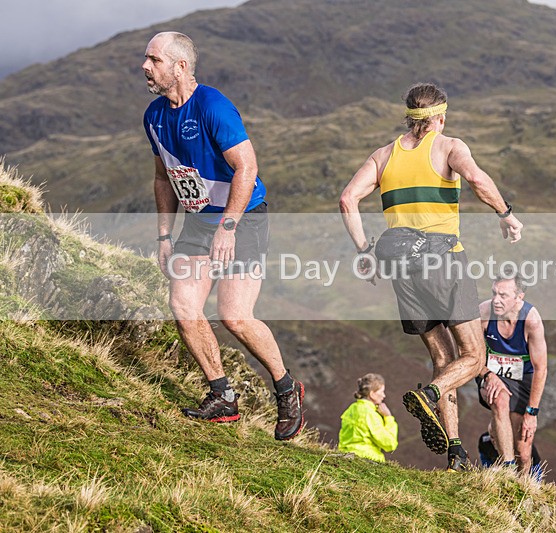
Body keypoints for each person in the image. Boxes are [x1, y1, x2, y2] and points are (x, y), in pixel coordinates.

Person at [339, 83, 524, 471]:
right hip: (444, 263)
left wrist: (364, 252)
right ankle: (430, 394)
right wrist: (506, 213)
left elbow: (347, 199)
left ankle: (455, 450)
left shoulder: (383, 155)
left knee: (442, 356)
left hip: (401, 270)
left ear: (409, 116)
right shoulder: (449, 146)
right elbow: (476, 179)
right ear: (440, 116)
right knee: (474, 357)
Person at [142, 31, 303, 440]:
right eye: (146, 59)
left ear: (179, 66)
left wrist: (229, 226)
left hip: (243, 216)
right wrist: (164, 236)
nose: (145, 67)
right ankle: (223, 395)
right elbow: (164, 177)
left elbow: (246, 168)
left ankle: (286, 388)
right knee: (183, 306)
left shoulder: (213, 106)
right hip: (198, 221)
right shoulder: (154, 116)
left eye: (154, 60)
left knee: (235, 317)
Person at [477, 273, 547, 476]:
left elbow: (541, 368)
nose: (496, 300)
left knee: (523, 452)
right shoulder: (483, 313)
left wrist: (531, 414)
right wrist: (488, 375)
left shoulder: (531, 320)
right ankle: (507, 471)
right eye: (494, 294)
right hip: (489, 372)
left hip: (522, 379)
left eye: (503, 295)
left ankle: (523, 488)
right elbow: (471, 355)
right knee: (500, 399)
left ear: (519, 297)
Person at [338, 373, 399, 462]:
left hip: (346, 455)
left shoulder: (351, 408)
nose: (384, 395)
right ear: (372, 394)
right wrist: (388, 417)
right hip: (367, 458)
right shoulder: (370, 414)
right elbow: (389, 444)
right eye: (381, 392)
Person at [477, 421, 543, 480]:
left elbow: (535, 465)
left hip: (526, 471)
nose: (494, 441)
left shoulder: (520, 444)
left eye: (497, 437)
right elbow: (486, 464)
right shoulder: (484, 441)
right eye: (492, 437)